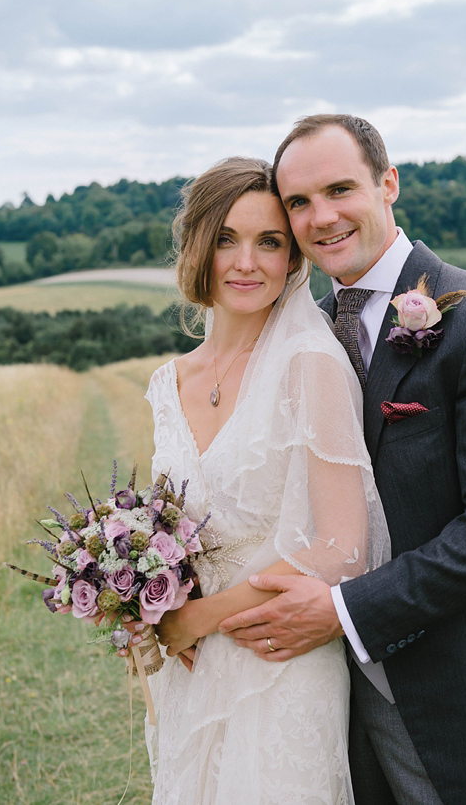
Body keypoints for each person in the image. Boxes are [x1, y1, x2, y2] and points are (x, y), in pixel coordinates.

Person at [218, 115, 466, 805]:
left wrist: (345, 610)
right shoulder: (293, 335)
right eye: (300, 202)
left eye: (340, 188)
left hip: (453, 685)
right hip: (320, 698)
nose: (323, 216)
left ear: (388, 182)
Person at [137, 156, 390, 804]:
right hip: (192, 670)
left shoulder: (310, 364)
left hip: (280, 659)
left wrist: (199, 618)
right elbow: (170, 534)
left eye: (269, 241)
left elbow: (342, 546)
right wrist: (144, 605)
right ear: (197, 246)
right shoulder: (170, 382)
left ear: (293, 258)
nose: (246, 261)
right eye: (226, 238)